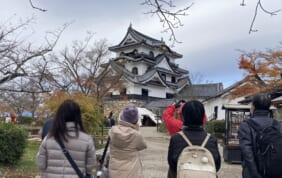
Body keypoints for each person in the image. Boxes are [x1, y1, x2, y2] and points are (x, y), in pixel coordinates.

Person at [36, 99, 96, 177]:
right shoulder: (87, 139)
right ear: (78, 116)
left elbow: (41, 164)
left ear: (59, 115)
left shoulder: (49, 138)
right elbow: (90, 165)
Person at [167, 100, 221, 178]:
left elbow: (172, 164)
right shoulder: (211, 139)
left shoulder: (176, 138)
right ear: (203, 116)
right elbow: (217, 165)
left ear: (184, 116)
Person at [238, 93, 274, 178]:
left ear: (253, 107)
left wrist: (255, 175)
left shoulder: (246, 126)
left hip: (253, 173)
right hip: (274, 171)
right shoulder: (277, 125)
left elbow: (248, 154)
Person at [108, 103, 147, 178]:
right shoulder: (136, 135)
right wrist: (136, 129)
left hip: (114, 171)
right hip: (131, 172)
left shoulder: (112, 131)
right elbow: (143, 145)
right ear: (136, 120)